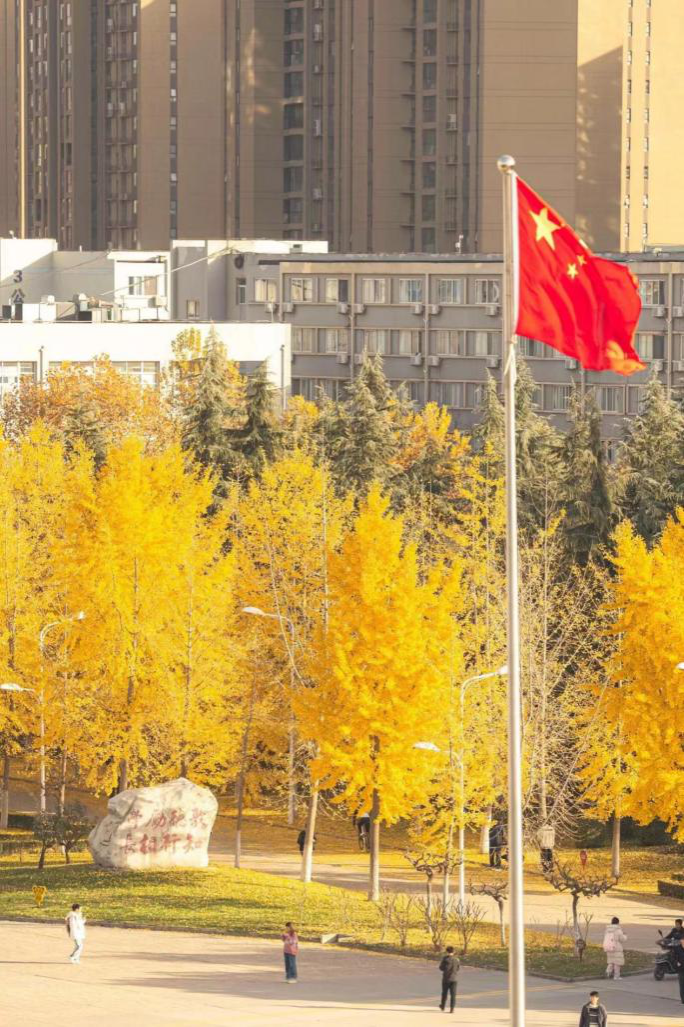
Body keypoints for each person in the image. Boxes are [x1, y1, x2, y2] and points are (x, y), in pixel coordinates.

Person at [438, 945, 459, 1013]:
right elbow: (458, 968)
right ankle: (452, 1008)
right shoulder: (457, 959)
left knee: (444, 993)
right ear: (453, 951)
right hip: (454, 979)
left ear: (447, 951)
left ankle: (443, 1006)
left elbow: (441, 968)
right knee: (453, 994)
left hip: (446, 979)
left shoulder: (445, 958)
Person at [674, 937, 684, 1004]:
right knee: (682, 985)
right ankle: (683, 1000)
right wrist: (677, 963)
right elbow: (674, 957)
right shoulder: (677, 948)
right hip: (681, 969)